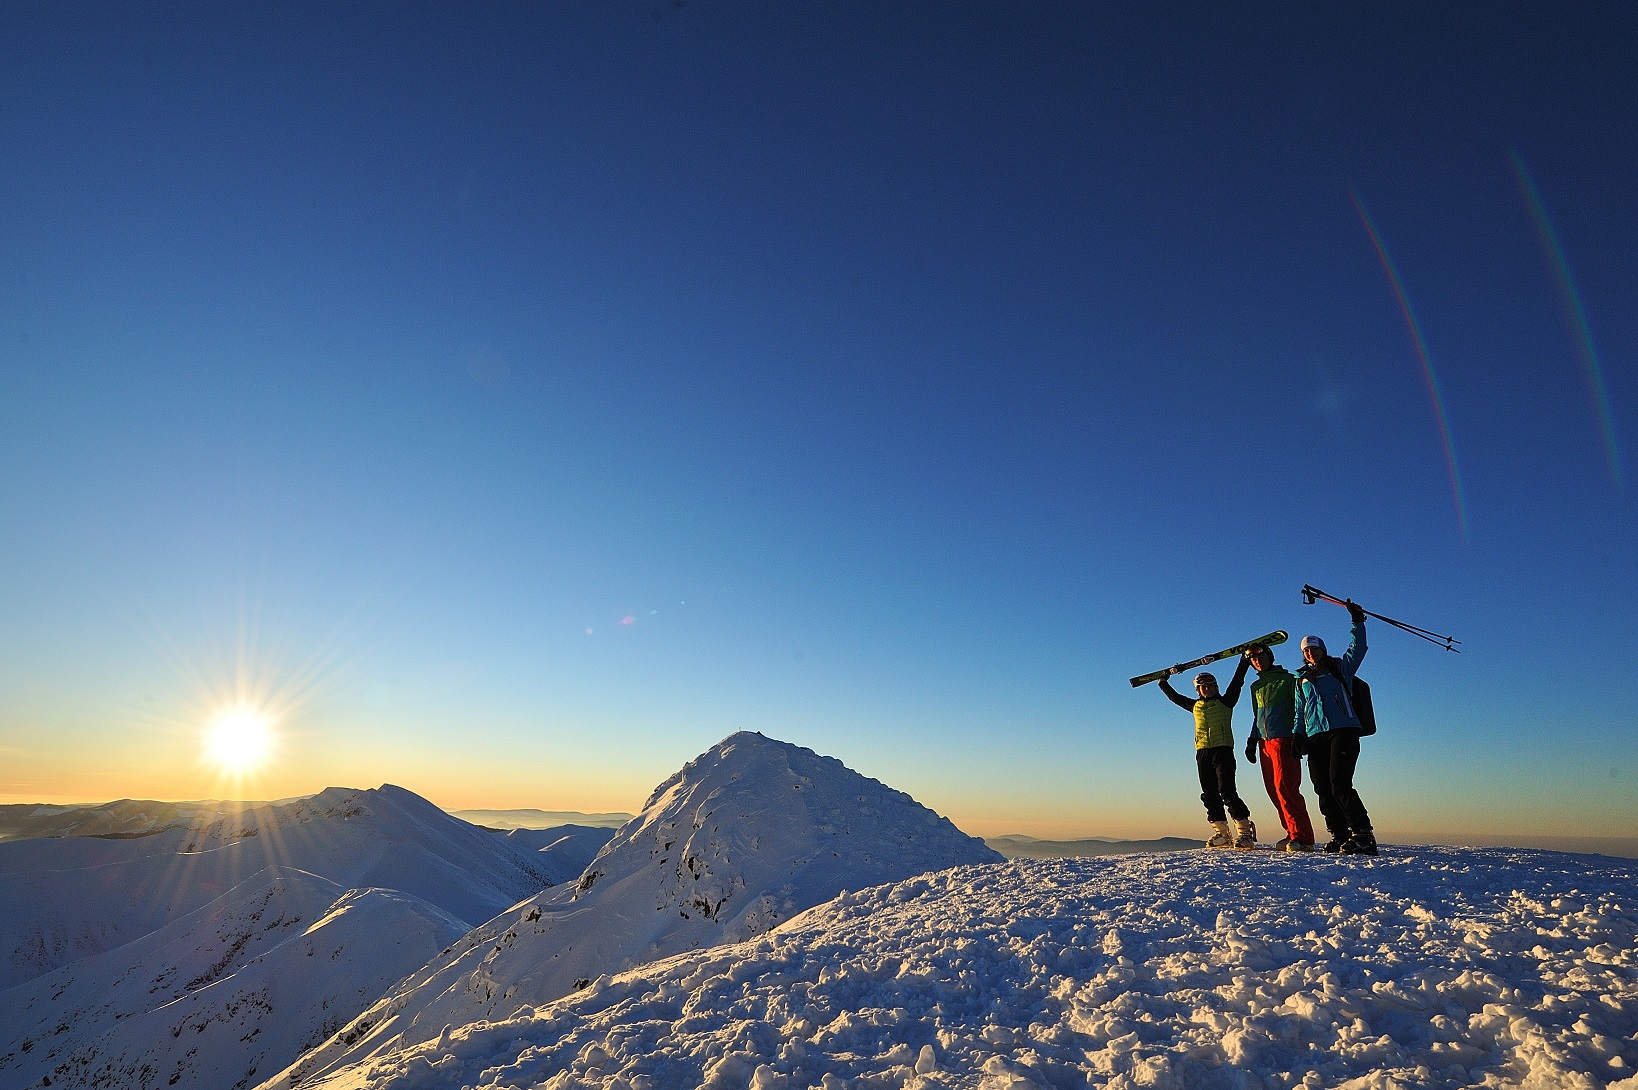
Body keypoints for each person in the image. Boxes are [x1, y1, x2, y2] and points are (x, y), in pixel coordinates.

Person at [1296, 603, 1376, 854]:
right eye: (1307, 650)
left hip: (1344, 730)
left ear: (1323, 650)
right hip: (1315, 736)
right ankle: (1340, 834)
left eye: (1315, 649)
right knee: (1321, 786)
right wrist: (1297, 734)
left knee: (1339, 782)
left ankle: (1363, 834)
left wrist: (1357, 622)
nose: (1311, 653)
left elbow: (1358, 649)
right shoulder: (1303, 680)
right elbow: (1299, 710)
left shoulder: (1341, 668)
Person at [1159, 656, 1257, 849]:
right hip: (1202, 752)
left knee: (1227, 790)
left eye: (1211, 685)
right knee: (1209, 792)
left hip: (1223, 751)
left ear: (1216, 687)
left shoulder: (1226, 702)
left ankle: (1244, 832)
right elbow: (1173, 697)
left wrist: (1244, 661)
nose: (1207, 689)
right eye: (1203, 687)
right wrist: (1163, 681)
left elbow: (1237, 681)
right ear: (1198, 690)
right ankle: (1221, 833)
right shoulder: (1195, 706)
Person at [1243, 644, 1316, 851]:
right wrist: (1251, 740)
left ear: (1270, 657)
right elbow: (1257, 716)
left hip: (1284, 739)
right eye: (1253, 660)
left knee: (1287, 788)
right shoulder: (1255, 687)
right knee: (1273, 790)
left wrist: (1298, 734)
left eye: (1261, 657)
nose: (1258, 661)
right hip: (1264, 743)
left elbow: (1299, 709)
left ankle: (1303, 837)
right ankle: (1291, 832)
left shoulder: (1287, 680)